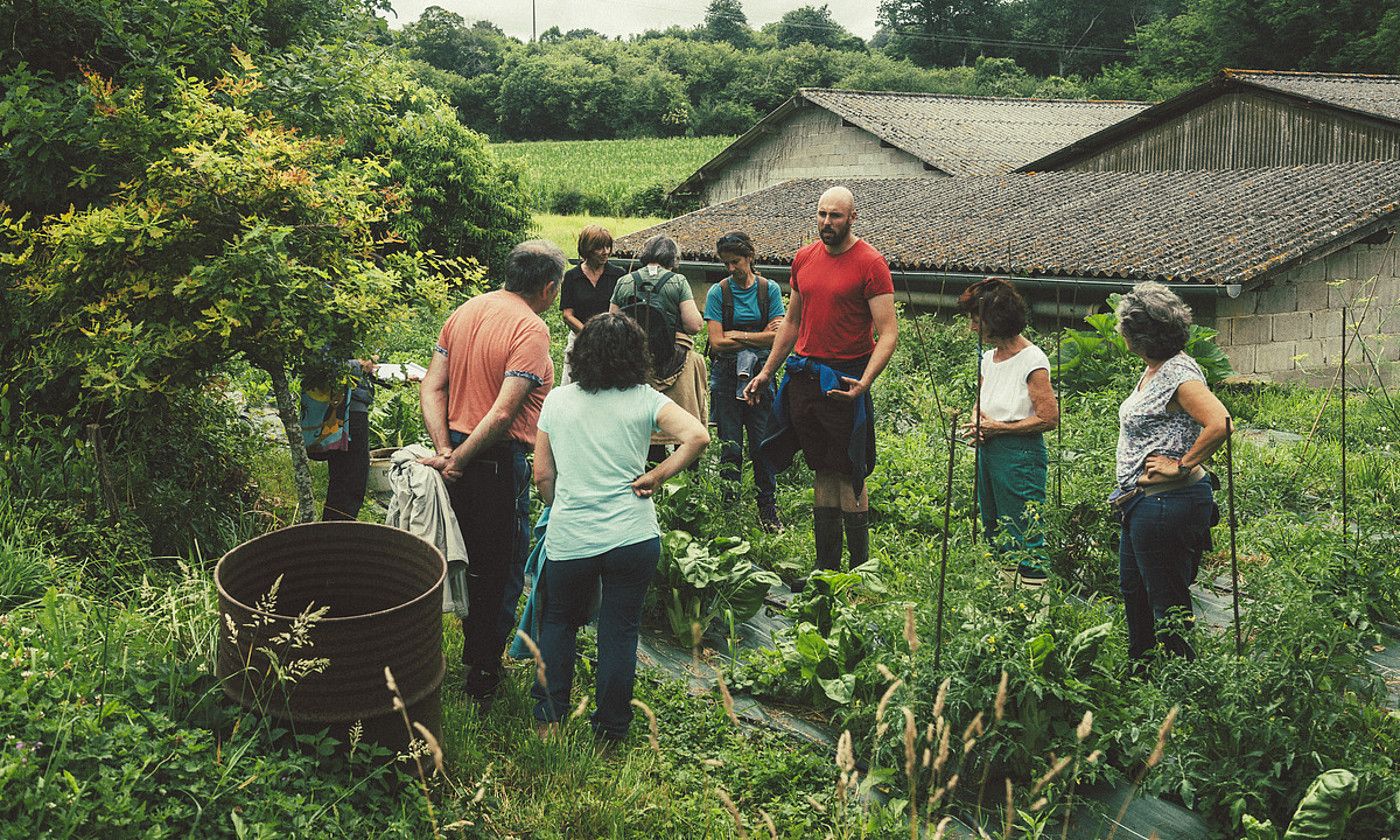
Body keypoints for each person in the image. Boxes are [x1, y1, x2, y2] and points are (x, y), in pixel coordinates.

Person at [531, 313, 709, 742]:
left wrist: (562, 504)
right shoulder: (646, 399)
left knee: (558, 623)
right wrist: (656, 476)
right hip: (632, 536)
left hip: (572, 536)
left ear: (582, 355)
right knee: (620, 631)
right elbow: (698, 436)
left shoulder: (557, 401)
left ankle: (550, 724)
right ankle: (611, 730)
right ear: (636, 355)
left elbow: (542, 477)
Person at [419, 239, 563, 710]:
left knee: (461, 560)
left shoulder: (465, 311)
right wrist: (458, 460)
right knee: (498, 570)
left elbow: (432, 385)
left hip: (455, 454)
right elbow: (504, 413)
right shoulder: (531, 327)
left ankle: (457, 656)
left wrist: (445, 450)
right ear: (549, 287)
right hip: (495, 463)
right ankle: (482, 672)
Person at [745, 186, 897, 575]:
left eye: (836, 216)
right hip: (805, 377)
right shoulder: (804, 258)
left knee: (850, 469)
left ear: (853, 218)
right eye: (822, 214)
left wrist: (864, 382)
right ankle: (826, 570)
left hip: (846, 377)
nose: (826, 222)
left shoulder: (870, 263)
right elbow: (792, 322)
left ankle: (859, 571)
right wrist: (767, 372)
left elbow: (888, 333)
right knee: (822, 468)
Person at [1112, 282, 1229, 666]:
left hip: (1166, 503)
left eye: (1124, 328)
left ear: (1139, 335)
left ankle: (1183, 686)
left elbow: (1220, 423)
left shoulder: (1179, 375)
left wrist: (1180, 465)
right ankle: (1143, 673)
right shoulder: (1157, 369)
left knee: (1168, 604)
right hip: (1141, 503)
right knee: (1135, 590)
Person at [957, 279, 1059, 586]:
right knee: (995, 528)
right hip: (989, 452)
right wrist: (978, 419)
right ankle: (1005, 605)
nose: (973, 328)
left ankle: (1032, 611)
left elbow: (1049, 417)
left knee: (1024, 533)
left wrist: (999, 427)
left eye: (977, 320)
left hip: (1020, 456)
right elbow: (982, 398)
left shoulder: (1032, 360)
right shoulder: (989, 358)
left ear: (997, 321)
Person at [704, 231, 786, 530]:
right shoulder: (718, 293)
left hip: (761, 376)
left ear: (750, 257)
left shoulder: (769, 290)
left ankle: (768, 511)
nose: (731, 269)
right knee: (731, 447)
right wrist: (759, 337)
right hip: (726, 377)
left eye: (736, 262)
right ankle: (730, 511)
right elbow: (715, 343)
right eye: (726, 263)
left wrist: (737, 335)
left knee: (762, 443)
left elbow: (779, 338)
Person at [610, 234, 708, 463]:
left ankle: (647, 474)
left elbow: (611, 323)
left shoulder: (624, 282)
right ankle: (683, 483)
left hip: (635, 365)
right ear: (673, 258)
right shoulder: (678, 282)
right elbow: (694, 326)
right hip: (674, 362)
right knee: (683, 422)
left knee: (647, 429)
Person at [559, 225, 625, 385]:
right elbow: (567, 315)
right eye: (599, 248)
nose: (606, 252)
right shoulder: (572, 277)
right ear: (587, 249)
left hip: (611, 341)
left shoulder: (619, 275)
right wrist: (589, 335)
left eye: (608, 246)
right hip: (579, 339)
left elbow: (625, 312)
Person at [321, 358, 377, 521]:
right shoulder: (328, 334)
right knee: (349, 479)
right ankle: (339, 536)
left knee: (350, 478)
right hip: (345, 410)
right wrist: (358, 365)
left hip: (352, 407)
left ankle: (338, 533)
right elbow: (322, 362)